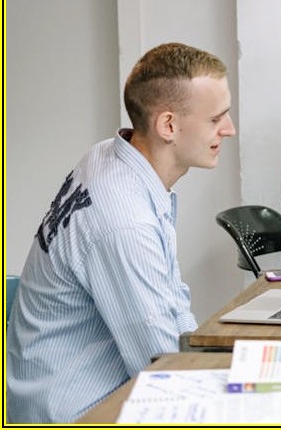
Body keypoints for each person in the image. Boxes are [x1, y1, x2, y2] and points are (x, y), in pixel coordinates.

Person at [6, 43, 237, 423]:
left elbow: (170, 303)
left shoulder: (110, 155)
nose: (229, 129)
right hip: (75, 411)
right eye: (216, 119)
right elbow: (163, 368)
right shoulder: (124, 221)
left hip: (70, 389)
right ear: (168, 126)